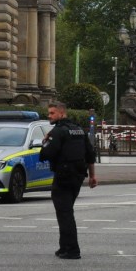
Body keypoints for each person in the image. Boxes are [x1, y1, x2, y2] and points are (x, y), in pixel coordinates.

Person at [39, 101, 97, 259]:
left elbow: (45, 154)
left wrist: (44, 142)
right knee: (66, 211)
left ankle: (72, 249)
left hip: (63, 177)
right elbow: (90, 155)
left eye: (52, 113)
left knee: (64, 213)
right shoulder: (78, 130)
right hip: (78, 176)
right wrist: (92, 176)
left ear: (61, 113)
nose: (49, 116)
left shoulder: (57, 132)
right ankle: (63, 246)